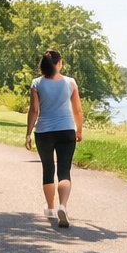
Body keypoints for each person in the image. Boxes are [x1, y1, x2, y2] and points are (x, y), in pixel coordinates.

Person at [24, 49, 83, 227]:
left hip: (44, 132)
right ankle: (62, 206)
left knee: (48, 168)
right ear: (59, 63)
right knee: (64, 171)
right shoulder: (70, 82)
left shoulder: (37, 83)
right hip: (66, 130)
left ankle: (50, 207)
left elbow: (34, 110)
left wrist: (28, 133)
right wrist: (78, 130)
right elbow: (78, 110)